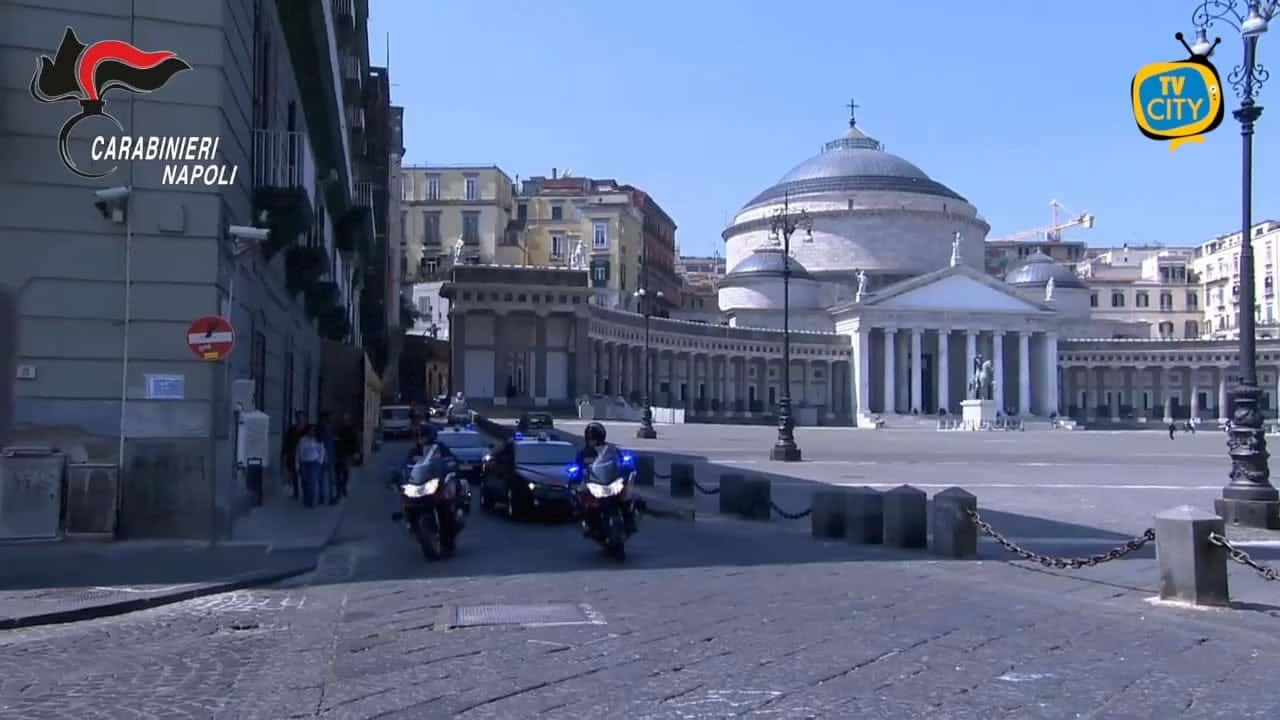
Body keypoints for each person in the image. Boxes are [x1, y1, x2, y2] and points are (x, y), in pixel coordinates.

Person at [295, 424, 326, 508]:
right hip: (304, 463)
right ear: (307, 430)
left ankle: (311, 501)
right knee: (304, 481)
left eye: (313, 430)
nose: (312, 431)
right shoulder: (302, 440)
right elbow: (298, 452)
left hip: (314, 463)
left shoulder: (318, 440)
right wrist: (297, 464)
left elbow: (322, 451)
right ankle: (306, 498)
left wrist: (320, 462)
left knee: (312, 481)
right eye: (310, 430)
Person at [282, 411, 307, 499]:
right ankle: (296, 493)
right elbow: (287, 442)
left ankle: (305, 492)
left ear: (304, 418)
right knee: (294, 474)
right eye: (298, 417)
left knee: (304, 475)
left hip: (304, 456)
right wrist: (285, 453)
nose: (300, 419)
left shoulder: (307, 429)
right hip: (293, 454)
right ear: (296, 419)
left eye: (301, 417)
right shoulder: (291, 429)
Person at [335, 413, 359, 499]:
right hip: (338, 454)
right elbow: (335, 440)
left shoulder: (352, 429)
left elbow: (355, 441)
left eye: (346, 419)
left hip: (347, 454)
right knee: (338, 473)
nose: (344, 421)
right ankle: (339, 491)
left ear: (348, 420)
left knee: (346, 472)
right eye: (343, 419)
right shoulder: (338, 428)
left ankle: (343, 486)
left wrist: (356, 452)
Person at [318, 412, 338, 504]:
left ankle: (324, 497)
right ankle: (329, 497)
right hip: (325, 456)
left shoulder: (324, 429)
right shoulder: (325, 429)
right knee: (329, 478)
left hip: (326, 457)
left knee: (324, 478)